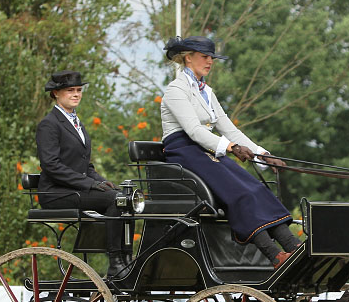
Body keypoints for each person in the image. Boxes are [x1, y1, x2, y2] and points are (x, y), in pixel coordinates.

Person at [160, 36, 301, 267]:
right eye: (205, 57)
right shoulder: (176, 89)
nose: (210, 62)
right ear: (188, 58)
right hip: (183, 150)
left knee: (255, 187)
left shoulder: (207, 91)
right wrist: (231, 148)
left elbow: (228, 128)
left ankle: (293, 247)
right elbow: (194, 131)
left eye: (211, 58)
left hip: (207, 148)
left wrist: (261, 154)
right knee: (239, 193)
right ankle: (274, 255)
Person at [36, 70, 131, 277]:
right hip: (55, 193)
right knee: (114, 201)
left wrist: (104, 183)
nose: (76, 94)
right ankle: (115, 262)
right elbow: (51, 165)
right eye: (70, 90)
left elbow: (85, 166)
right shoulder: (49, 124)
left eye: (79, 90)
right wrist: (88, 184)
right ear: (56, 94)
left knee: (125, 198)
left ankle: (127, 256)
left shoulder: (77, 123)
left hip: (74, 188)